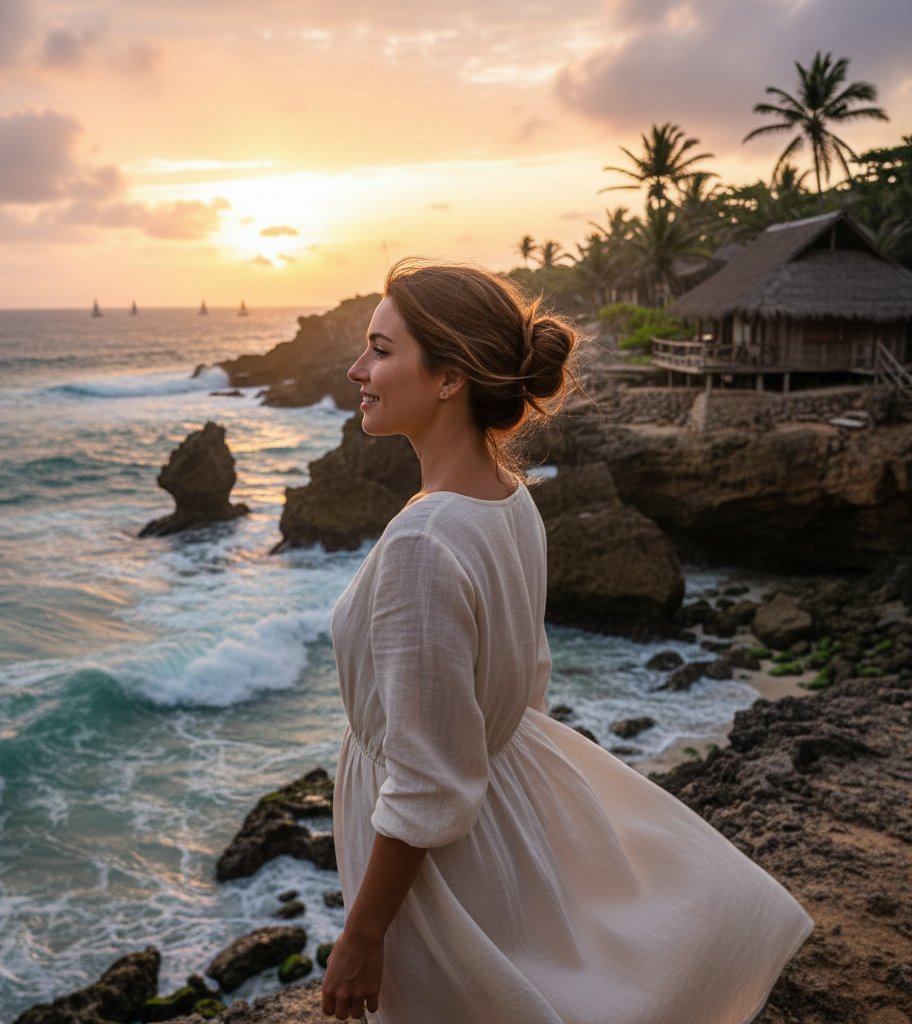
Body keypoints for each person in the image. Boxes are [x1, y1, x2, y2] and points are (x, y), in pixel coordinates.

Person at [321, 259, 812, 1023]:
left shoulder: (424, 539)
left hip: (440, 866)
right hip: (499, 810)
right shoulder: (508, 499)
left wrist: (363, 933)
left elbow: (427, 784)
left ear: (449, 377)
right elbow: (527, 678)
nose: (358, 369)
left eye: (381, 350)